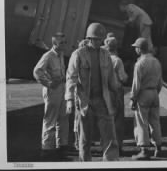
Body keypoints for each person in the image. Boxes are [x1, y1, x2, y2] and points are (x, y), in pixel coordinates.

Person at [65, 23, 119, 161]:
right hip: (85, 101)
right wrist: (70, 100)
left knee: (109, 137)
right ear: (89, 38)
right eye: (95, 39)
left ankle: (111, 163)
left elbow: (112, 77)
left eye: (100, 39)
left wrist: (117, 94)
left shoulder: (105, 54)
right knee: (85, 138)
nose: (98, 42)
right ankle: (86, 163)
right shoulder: (78, 54)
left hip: (103, 101)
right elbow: (71, 78)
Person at [33, 32, 69, 161]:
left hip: (61, 89)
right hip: (52, 90)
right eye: (61, 43)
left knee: (62, 118)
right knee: (50, 119)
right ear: (54, 43)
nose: (64, 45)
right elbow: (37, 71)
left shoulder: (60, 55)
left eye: (65, 42)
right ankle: (47, 149)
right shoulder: (48, 56)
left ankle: (61, 146)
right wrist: (48, 83)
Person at [130, 37, 163, 160]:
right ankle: (158, 147)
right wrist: (156, 92)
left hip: (143, 93)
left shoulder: (139, 63)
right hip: (154, 92)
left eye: (136, 48)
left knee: (142, 122)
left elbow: (136, 84)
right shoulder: (156, 61)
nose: (135, 50)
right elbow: (160, 82)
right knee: (155, 121)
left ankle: (144, 150)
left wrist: (133, 98)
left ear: (139, 49)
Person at [104, 36, 128, 156]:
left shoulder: (102, 59)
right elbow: (123, 78)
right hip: (116, 91)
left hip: (104, 91)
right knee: (118, 120)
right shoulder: (117, 60)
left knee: (106, 119)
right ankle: (118, 146)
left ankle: (107, 146)